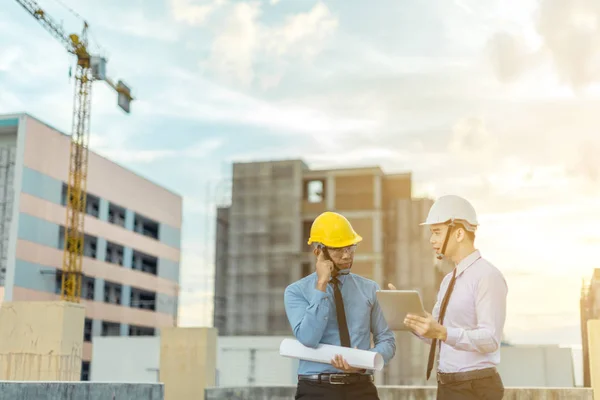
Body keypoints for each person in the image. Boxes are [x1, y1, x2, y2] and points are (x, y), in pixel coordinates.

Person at [389, 195, 507, 400]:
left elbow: (490, 339)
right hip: (448, 387)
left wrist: (443, 332)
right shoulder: (447, 281)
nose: (431, 240)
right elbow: (436, 334)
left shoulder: (487, 276)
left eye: (436, 232)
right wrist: (409, 318)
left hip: (476, 389)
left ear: (459, 233)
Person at [284, 211, 396, 400]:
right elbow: (308, 338)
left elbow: (387, 341)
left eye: (350, 248)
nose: (347, 256)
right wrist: (321, 286)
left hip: (361, 388)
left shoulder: (369, 289)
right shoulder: (296, 292)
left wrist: (362, 363)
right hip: (316, 389)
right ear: (319, 252)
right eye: (338, 250)